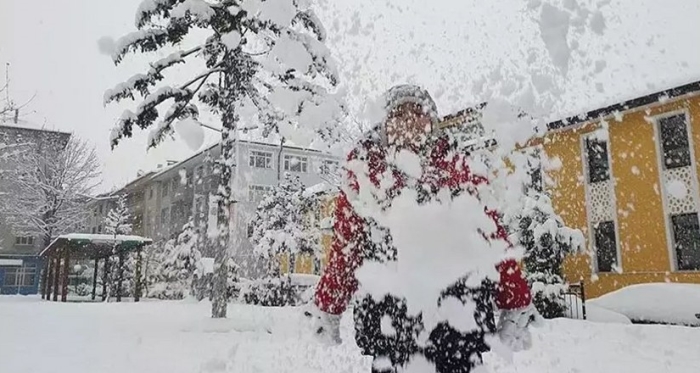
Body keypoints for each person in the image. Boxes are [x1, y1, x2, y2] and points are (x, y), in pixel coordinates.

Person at [306, 85, 537, 373]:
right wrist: (329, 305)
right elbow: (346, 246)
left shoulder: (458, 167)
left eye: (418, 112)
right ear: (384, 123)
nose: (409, 120)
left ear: (432, 122)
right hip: (389, 319)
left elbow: (491, 235)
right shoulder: (365, 171)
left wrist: (515, 299)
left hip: (458, 317)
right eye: (399, 113)